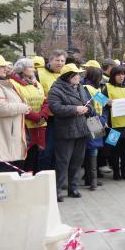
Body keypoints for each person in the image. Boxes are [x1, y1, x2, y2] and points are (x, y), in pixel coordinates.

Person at [47, 63, 93, 201]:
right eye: (77, 74)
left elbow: (88, 103)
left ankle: (73, 188)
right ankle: (57, 190)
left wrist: (88, 109)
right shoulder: (55, 89)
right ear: (69, 77)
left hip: (81, 129)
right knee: (63, 161)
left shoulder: (80, 88)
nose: (79, 77)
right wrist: (75, 110)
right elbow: (55, 108)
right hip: (66, 131)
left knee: (77, 161)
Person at [10, 58, 50, 173]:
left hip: (39, 125)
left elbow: (45, 101)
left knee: (37, 156)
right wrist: (37, 117)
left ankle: (34, 180)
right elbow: (18, 104)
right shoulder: (13, 84)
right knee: (25, 158)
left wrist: (42, 116)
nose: (33, 69)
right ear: (22, 69)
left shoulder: (37, 83)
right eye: (30, 67)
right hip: (25, 127)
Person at [102, 66, 125, 179]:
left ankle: (124, 172)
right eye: (118, 74)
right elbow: (97, 100)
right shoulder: (107, 87)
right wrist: (106, 102)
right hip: (113, 126)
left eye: (123, 74)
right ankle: (116, 173)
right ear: (113, 76)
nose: (121, 76)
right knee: (114, 150)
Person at [37, 49, 66, 171]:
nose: (60, 63)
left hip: (63, 117)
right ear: (50, 61)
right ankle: (42, 175)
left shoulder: (65, 74)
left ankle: (55, 177)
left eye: (62, 60)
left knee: (59, 150)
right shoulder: (39, 73)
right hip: (46, 118)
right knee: (47, 150)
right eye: (57, 60)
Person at [82, 65, 106, 189]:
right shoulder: (87, 89)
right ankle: (93, 181)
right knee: (93, 149)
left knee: (92, 149)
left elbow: (104, 104)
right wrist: (102, 119)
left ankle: (90, 178)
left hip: (97, 121)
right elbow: (90, 108)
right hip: (93, 122)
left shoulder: (96, 89)